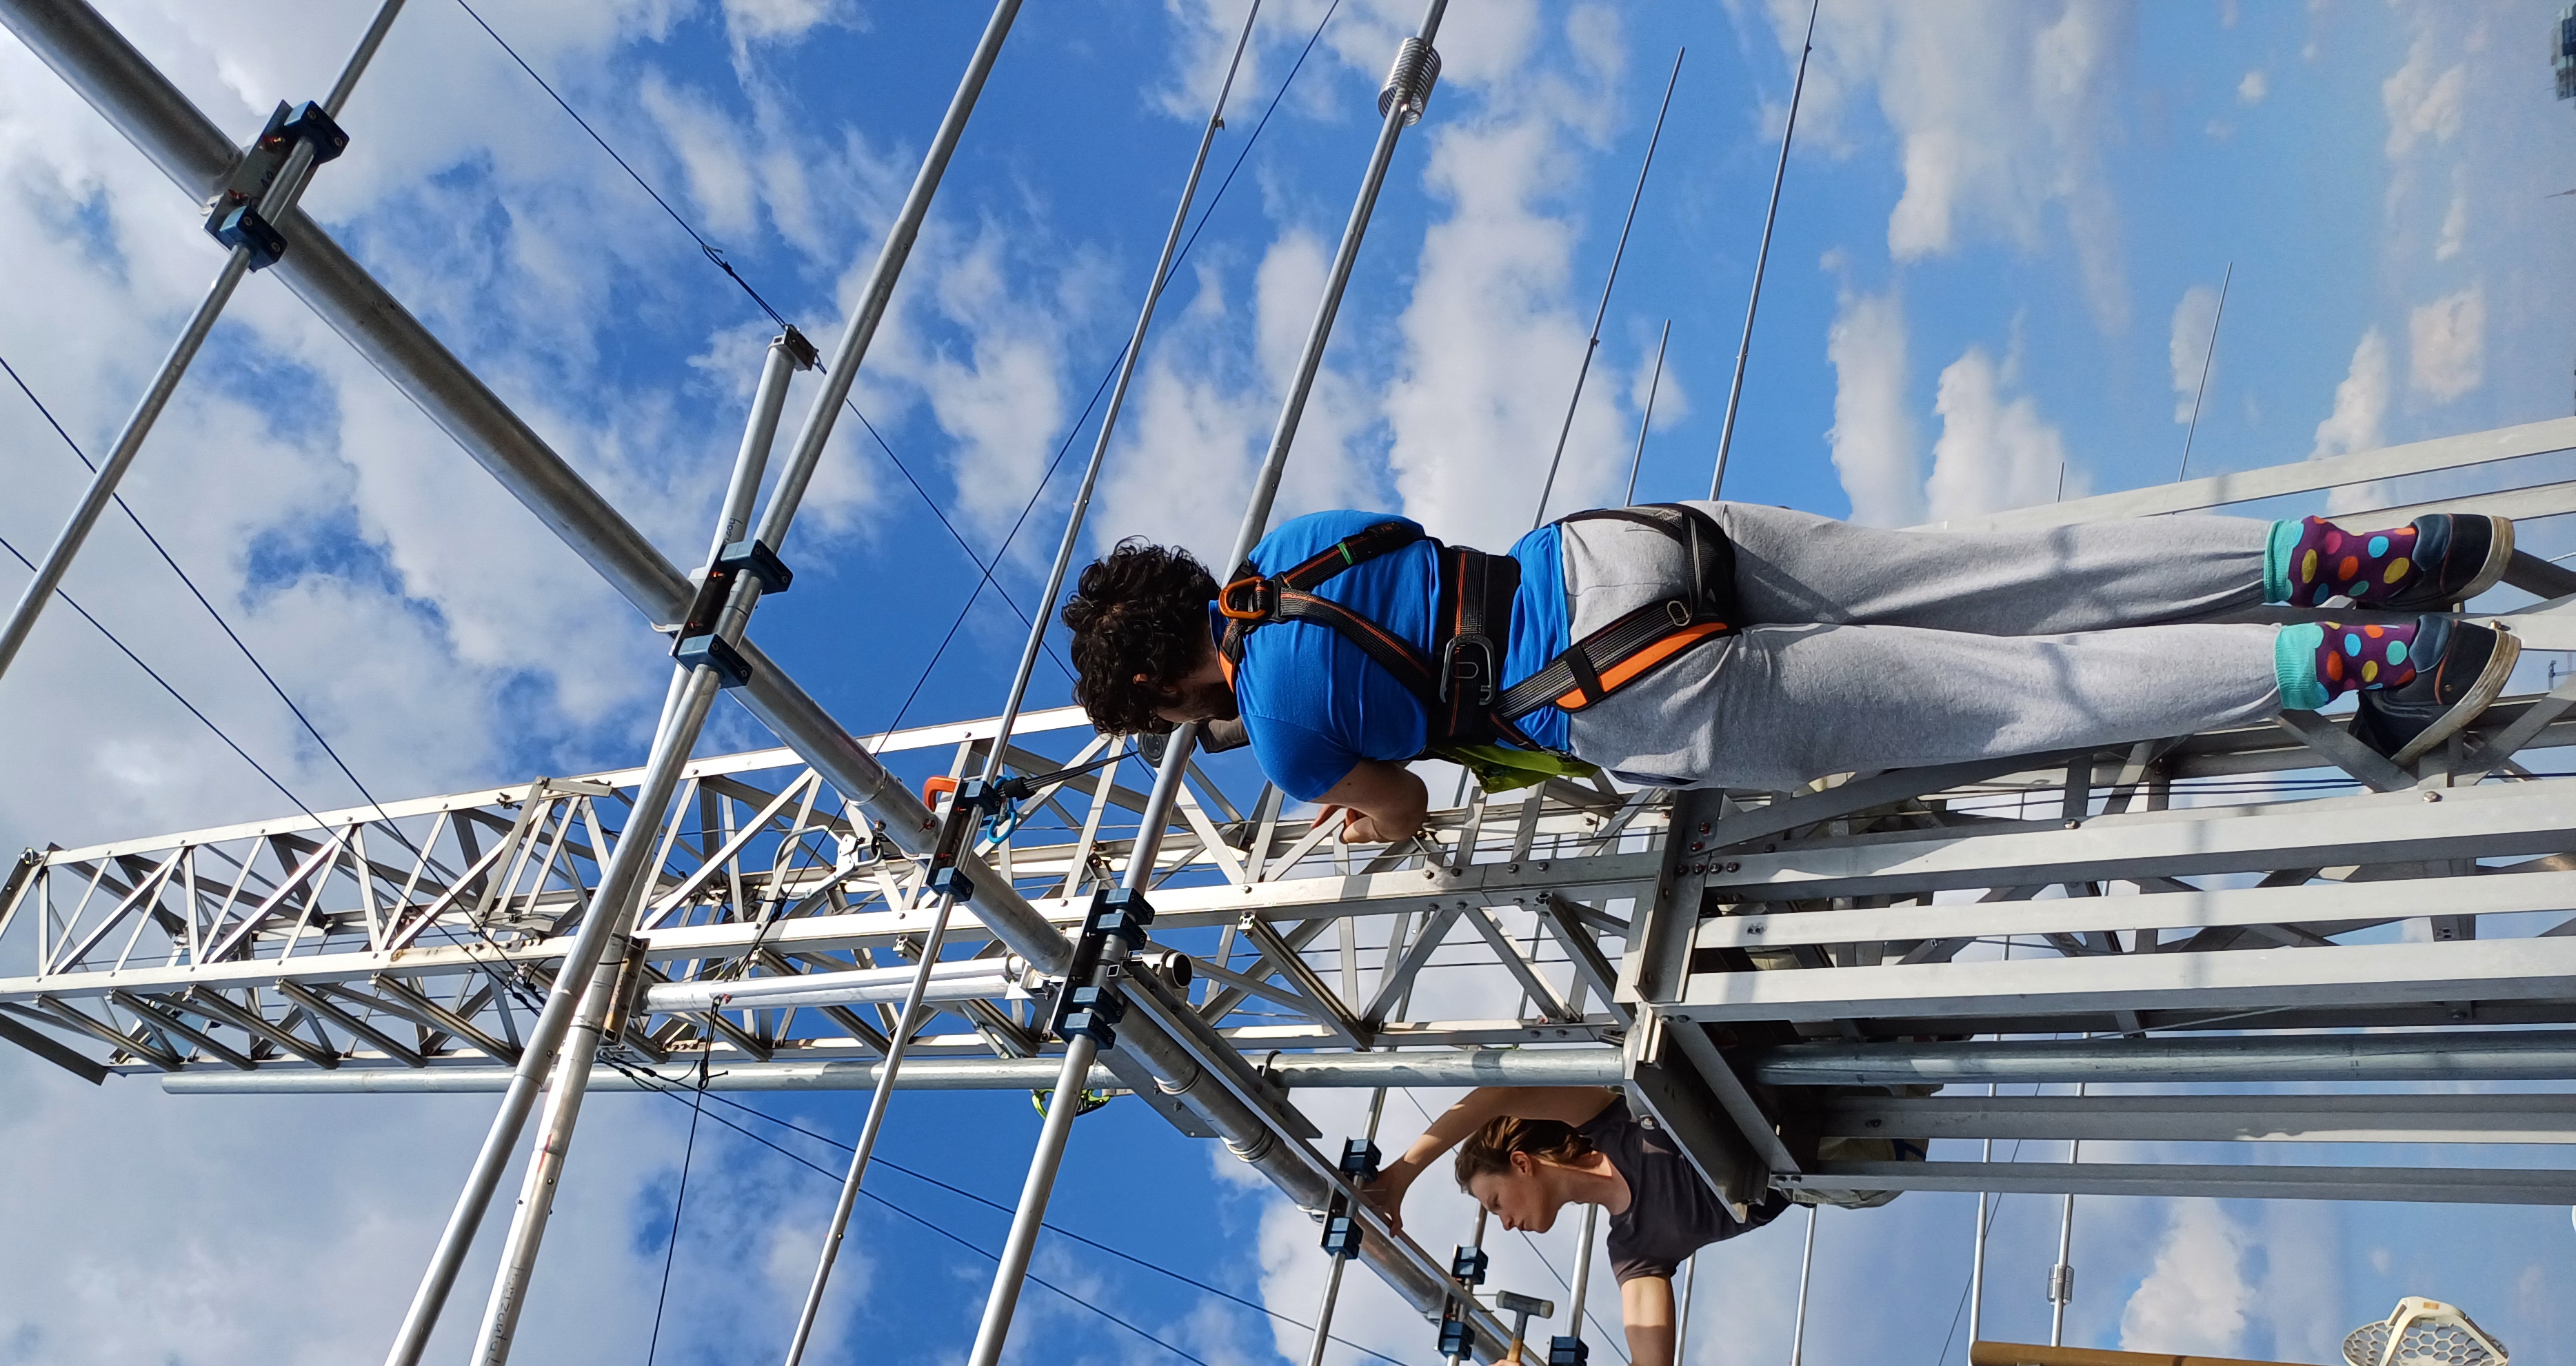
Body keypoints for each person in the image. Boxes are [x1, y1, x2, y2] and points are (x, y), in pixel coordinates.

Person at [1058, 503, 2524, 834]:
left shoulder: (1278, 720)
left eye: (1181, 721)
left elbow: (1406, 808)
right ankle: (2338, 558)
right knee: (2014, 570)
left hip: (1614, 683)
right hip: (1622, 541)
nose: (1206, 729)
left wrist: (1352, 804)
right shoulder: (1302, 537)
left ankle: (2356, 663)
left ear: (1173, 693)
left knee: (2005, 693)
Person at [1360, 1085, 1789, 1366]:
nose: (1505, 1223)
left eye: (1496, 1203)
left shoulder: (1604, 1120)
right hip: (1832, 1162)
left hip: (1793, 1075)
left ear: (1522, 1163)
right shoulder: (1633, 1251)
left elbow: (1498, 1094)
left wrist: (1399, 1177)